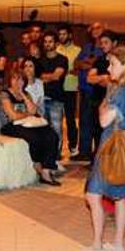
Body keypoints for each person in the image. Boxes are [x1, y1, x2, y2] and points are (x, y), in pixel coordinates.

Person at [80, 48, 125, 251]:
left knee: (93, 194)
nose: (108, 68)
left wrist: (103, 103)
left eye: (113, 64)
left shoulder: (122, 91)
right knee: (119, 197)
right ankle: (117, 243)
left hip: (111, 150)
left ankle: (97, 245)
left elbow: (104, 120)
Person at [0, 64, 60, 185]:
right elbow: (13, 116)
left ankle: (46, 170)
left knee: (52, 134)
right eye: (14, 79)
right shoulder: (5, 94)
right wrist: (27, 114)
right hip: (10, 126)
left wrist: (22, 95)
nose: (18, 82)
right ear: (10, 80)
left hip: (28, 123)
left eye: (21, 79)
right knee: (34, 138)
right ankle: (37, 163)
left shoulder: (26, 94)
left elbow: (33, 111)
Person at [72, 23, 106, 162]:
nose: (95, 31)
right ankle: (84, 151)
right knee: (84, 121)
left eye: (98, 28)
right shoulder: (87, 47)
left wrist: (86, 63)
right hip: (85, 89)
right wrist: (88, 63)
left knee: (97, 123)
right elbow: (76, 64)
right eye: (93, 28)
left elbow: (98, 64)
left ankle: (98, 153)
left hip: (98, 91)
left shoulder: (104, 47)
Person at [39, 31, 69, 154]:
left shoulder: (62, 59)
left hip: (56, 98)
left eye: (50, 41)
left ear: (56, 43)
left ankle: (56, 156)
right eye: (45, 42)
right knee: (41, 128)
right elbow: (35, 77)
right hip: (40, 99)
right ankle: (45, 155)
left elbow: (57, 76)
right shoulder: (39, 60)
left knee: (56, 129)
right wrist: (46, 77)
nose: (47, 44)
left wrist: (43, 77)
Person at [57, 24, 81, 156]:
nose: (62, 37)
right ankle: (58, 148)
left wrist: (69, 71)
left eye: (64, 34)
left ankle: (73, 146)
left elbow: (79, 68)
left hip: (71, 88)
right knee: (56, 119)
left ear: (70, 35)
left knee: (71, 119)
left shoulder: (78, 50)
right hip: (57, 88)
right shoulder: (56, 49)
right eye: (60, 34)